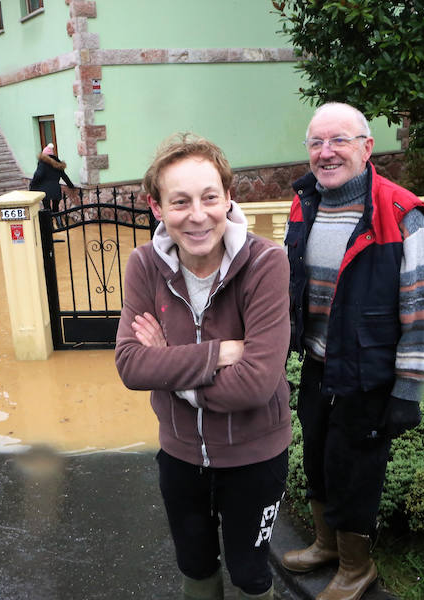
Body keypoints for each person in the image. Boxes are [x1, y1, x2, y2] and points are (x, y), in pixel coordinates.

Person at [115, 134, 291, 600]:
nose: (197, 215)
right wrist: (220, 354)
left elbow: (257, 383)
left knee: (251, 573)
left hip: (255, 456)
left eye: (210, 197)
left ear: (228, 197)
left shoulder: (266, 263)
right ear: (157, 207)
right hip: (180, 455)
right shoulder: (143, 266)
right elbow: (131, 366)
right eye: (180, 202)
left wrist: (169, 365)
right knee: (194, 568)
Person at [281, 102, 424, 600]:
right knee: (317, 457)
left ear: (367, 147)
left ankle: (357, 567)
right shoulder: (304, 203)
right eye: (316, 143)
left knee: (356, 469)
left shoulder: (400, 213)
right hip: (317, 362)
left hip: (369, 372)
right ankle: (327, 545)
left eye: (339, 141)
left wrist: (408, 391)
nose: (325, 153)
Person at [28, 143, 76, 215]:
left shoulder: (43, 163)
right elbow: (64, 176)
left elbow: (38, 175)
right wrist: (71, 185)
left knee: (47, 209)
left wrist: (32, 185)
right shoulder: (58, 164)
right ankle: (59, 223)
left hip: (45, 190)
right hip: (56, 189)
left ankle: (50, 225)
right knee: (56, 209)